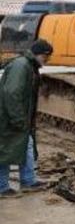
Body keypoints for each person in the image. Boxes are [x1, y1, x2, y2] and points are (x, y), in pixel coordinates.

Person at [0, 39, 53, 197]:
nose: (47, 60)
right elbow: (12, 93)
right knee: (5, 150)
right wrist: (18, 119)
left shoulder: (28, 66)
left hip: (16, 117)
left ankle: (28, 181)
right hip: (8, 118)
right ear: (38, 54)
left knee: (26, 146)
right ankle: (2, 187)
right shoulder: (22, 66)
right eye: (46, 56)